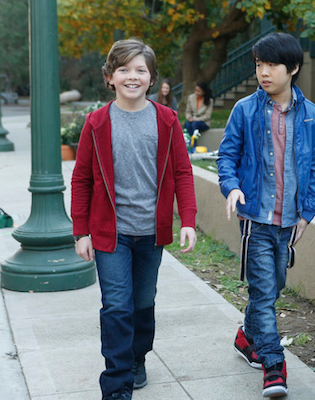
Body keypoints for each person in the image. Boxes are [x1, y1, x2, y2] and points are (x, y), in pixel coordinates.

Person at [71, 38, 198, 400]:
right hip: (110, 234)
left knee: (142, 303)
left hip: (151, 234)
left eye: (140, 70)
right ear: (110, 77)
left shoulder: (167, 120)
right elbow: (81, 179)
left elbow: (182, 173)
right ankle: (117, 384)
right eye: (123, 69)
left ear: (152, 78)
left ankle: (137, 357)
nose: (132, 76)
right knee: (116, 306)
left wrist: (188, 220)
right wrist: (81, 231)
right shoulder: (96, 122)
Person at [216, 32, 315, 398]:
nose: (263, 72)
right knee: (263, 294)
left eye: (272, 65)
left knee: (272, 288)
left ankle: (246, 336)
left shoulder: (311, 115)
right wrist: (232, 188)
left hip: (289, 221)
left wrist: (307, 212)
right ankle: (274, 366)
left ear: (292, 68)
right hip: (256, 219)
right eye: (259, 64)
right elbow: (227, 156)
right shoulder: (245, 109)